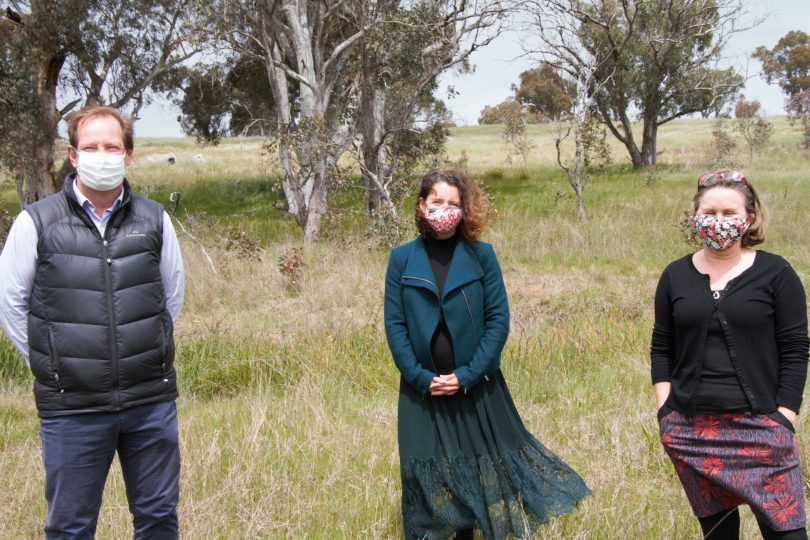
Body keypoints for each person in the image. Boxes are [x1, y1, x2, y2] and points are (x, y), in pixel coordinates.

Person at [0, 106, 185, 539]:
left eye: (112, 147)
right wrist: (57, 362)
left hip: (149, 403)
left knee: (158, 518)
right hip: (74, 408)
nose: (102, 155)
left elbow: (170, 298)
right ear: (73, 155)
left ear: (129, 155)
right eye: (91, 147)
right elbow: (11, 305)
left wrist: (145, 352)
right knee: (70, 526)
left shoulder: (155, 220)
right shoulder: (36, 222)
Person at [384, 170, 590, 539]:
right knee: (424, 474)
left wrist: (466, 375)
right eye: (437, 202)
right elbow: (395, 326)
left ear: (464, 209)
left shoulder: (482, 256)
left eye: (453, 204)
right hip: (421, 392)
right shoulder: (401, 259)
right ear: (421, 206)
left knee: (479, 471)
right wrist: (421, 379)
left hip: (477, 387)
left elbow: (498, 322)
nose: (444, 210)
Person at [651, 169, 809, 539]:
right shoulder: (675, 275)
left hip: (762, 429)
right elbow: (662, 346)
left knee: (787, 534)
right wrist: (666, 413)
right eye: (710, 212)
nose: (718, 222)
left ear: (748, 218)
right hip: (691, 431)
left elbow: (796, 347)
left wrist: (783, 416)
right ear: (696, 216)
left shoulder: (777, 273)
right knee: (719, 532)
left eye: (729, 213)